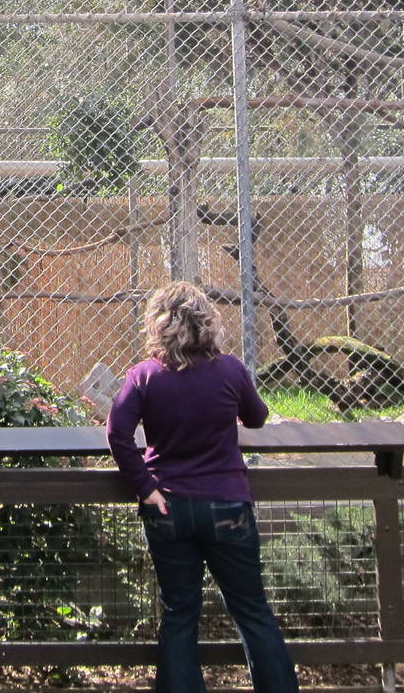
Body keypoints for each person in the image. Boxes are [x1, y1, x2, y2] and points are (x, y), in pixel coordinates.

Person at [107, 280, 298, 693]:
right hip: (228, 505)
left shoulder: (143, 376)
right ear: (206, 322)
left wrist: (146, 487)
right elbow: (258, 418)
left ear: (159, 326)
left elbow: (118, 434)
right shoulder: (230, 369)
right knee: (252, 612)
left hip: (168, 506)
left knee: (179, 613)